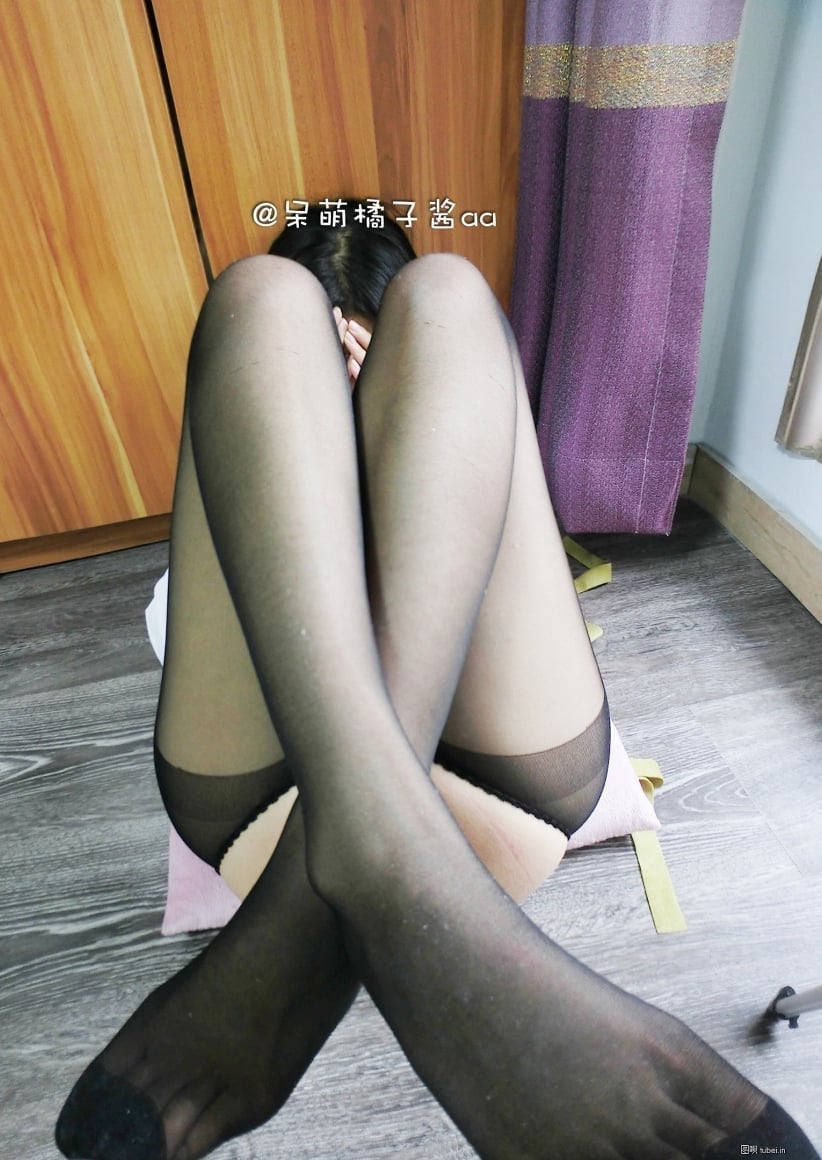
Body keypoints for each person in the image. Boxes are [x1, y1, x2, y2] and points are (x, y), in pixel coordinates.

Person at [56, 201, 817, 1160]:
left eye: (366, 349)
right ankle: (399, 876)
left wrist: (405, 440)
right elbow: (186, 629)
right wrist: (295, 455)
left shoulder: (447, 372)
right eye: (316, 361)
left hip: (364, 834)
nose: (342, 373)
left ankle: (315, 917)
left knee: (450, 294)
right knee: (256, 300)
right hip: (310, 810)